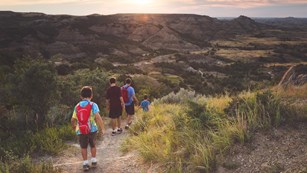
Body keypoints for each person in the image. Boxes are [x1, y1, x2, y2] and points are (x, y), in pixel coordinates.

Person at [71, 86, 105, 171]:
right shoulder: (93, 105)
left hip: (81, 130)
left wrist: (74, 126)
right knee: (93, 144)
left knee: (83, 147)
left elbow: (72, 119)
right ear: (91, 96)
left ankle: (85, 163)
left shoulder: (77, 106)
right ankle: (93, 160)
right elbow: (98, 117)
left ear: (81, 96)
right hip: (92, 129)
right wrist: (102, 128)